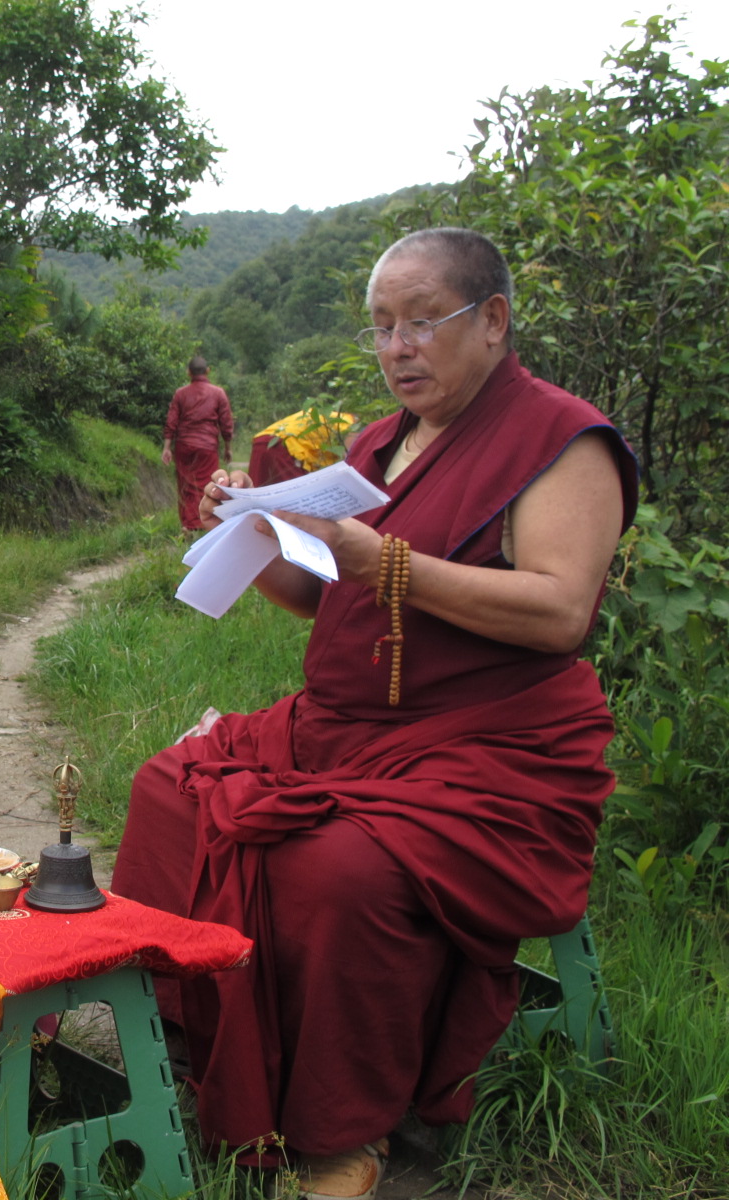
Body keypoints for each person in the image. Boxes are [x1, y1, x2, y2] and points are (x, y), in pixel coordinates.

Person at [114, 228, 637, 1200]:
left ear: (492, 320)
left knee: (333, 868)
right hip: (342, 728)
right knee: (169, 790)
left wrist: (384, 560)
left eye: (421, 323)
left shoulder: (562, 441)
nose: (398, 348)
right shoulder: (375, 447)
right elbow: (328, 596)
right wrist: (255, 528)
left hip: (487, 747)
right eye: (382, 327)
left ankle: (341, 1134)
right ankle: (196, 1051)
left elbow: (560, 610)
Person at [162, 355, 234, 531]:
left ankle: (188, 525)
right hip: (207, 447)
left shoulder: (181, 393)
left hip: (184, 446)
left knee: (186, 485)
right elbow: (226, 423)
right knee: (207, 484)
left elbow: (172, 421)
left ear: (189, 372)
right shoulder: (218, 393)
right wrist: (228, 448)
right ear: (208, 371)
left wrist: (166, 448)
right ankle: (205, 523)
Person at [246, 409, 357, 486]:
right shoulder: (351, 425)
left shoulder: (331, 415)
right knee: (294, 502)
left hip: (262, 440)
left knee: (257, 495)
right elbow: (351, 458)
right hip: (283, 445)